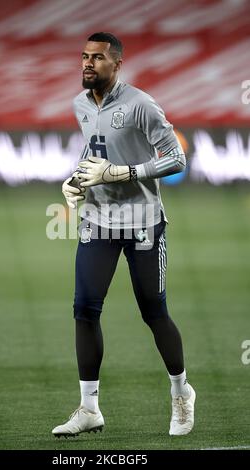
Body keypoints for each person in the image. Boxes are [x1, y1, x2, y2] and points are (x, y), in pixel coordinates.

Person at [52, 32, 195, 438]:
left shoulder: (141, 105)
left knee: (153, 311)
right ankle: (89, 408)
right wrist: (76, 180)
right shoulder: (79, 104)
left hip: (144, 221)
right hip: (99, 220)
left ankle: (182, 392)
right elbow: (95, 153)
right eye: (84, 56)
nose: (87, 64)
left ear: (117, 64)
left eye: (97, 58)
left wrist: (124, 173)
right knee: (85, 309)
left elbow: (177, 157)